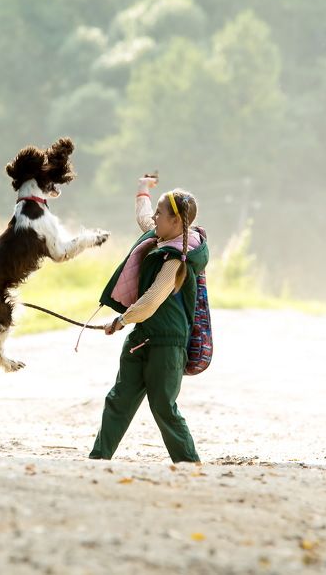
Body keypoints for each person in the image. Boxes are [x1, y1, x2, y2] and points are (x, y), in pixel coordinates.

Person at [89, 174, 208, 463]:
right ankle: (98, 458)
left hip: (168, 345)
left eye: (160, 213)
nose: (154, 217)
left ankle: (190, 463)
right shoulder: (160, 235)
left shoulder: (176, 260)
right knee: (119, 399)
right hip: (141, 338)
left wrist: (120, 321)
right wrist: (142, 190)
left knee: (163, 407)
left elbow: (153, 300)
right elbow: (144, 217)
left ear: (176, 223)